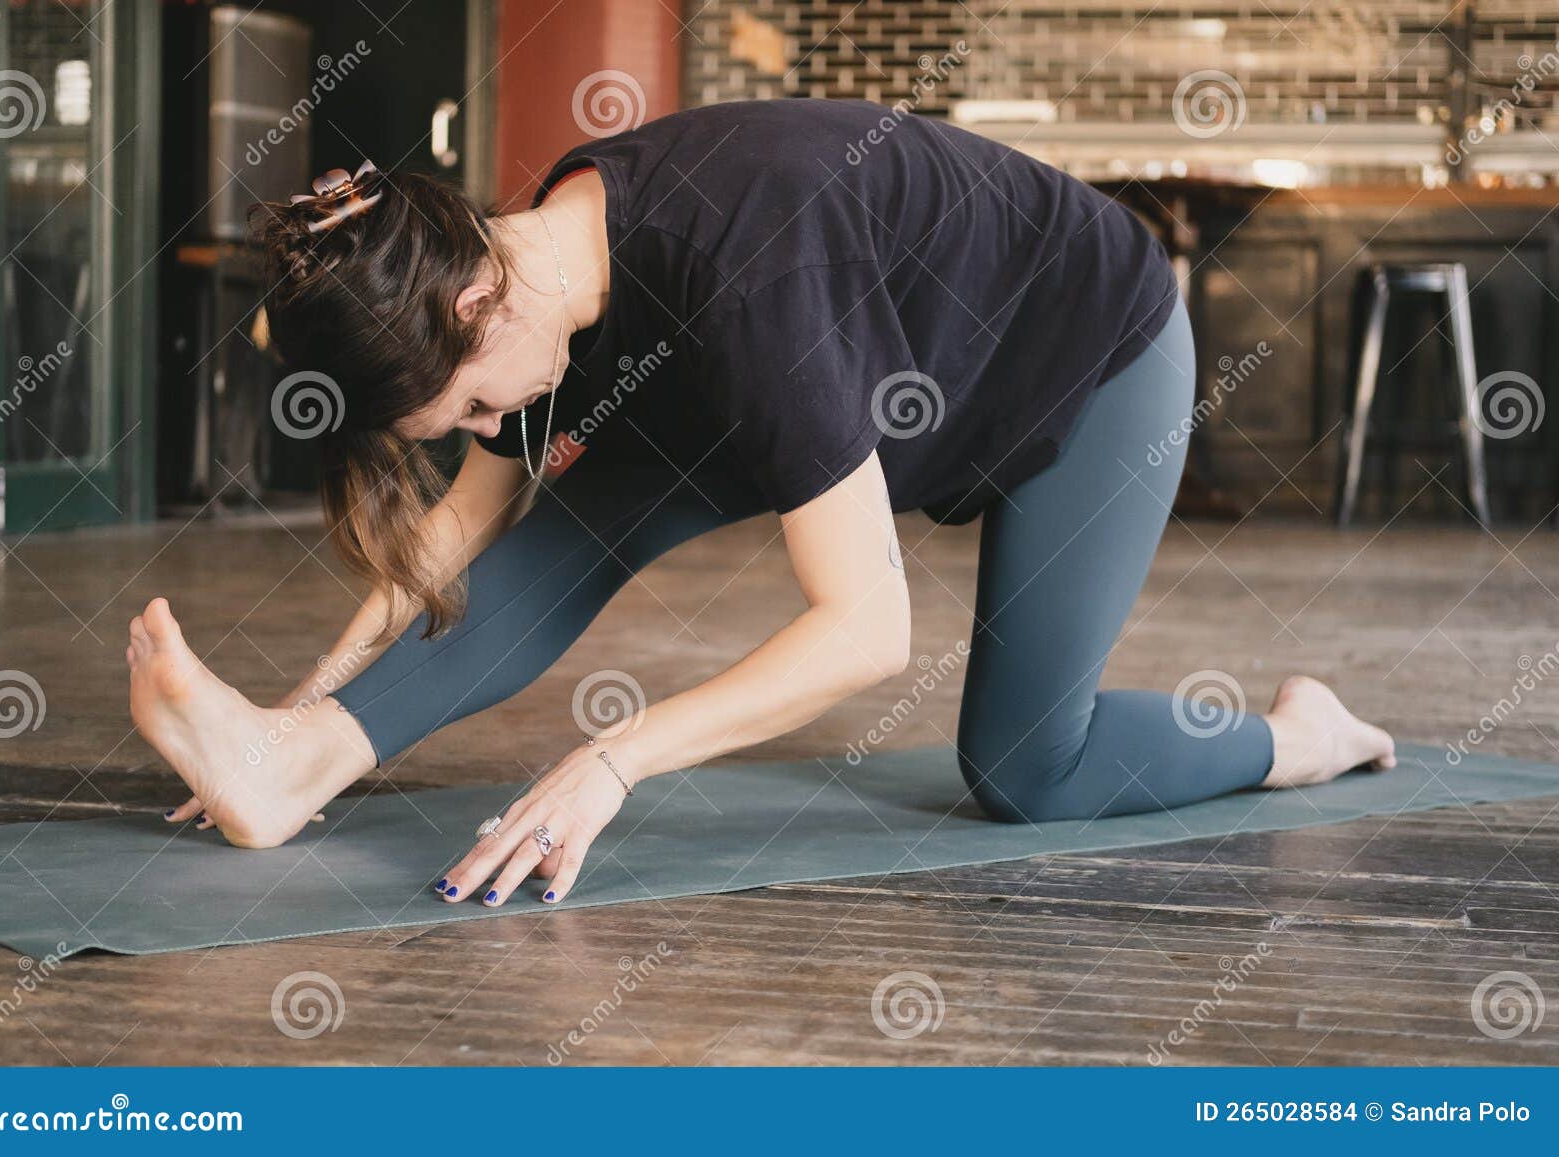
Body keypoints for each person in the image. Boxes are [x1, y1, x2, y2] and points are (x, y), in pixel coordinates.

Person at [128, 99, 1395, 908]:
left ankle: (1305, 733)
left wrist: (609, 760)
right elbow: (462, 531)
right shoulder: (538, 273)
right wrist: (303, 709)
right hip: (865, 375)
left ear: (477, 307)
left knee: (1024, 766)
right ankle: (293, 772)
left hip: (1084, 353)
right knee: (560, 533)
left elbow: (865, 632)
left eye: (463, 408)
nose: (479, 431)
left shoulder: (748, 279)